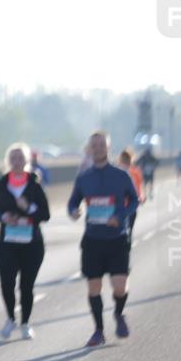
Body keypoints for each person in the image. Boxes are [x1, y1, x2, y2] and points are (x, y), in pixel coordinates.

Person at [67, 131, 139, 347]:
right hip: (93, 239)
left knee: (119, 287)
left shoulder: (121, 175)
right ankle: (98, 330)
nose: (98, 148)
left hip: (117, 238)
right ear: (90, 149)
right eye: (94, 145)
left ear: (109, 148)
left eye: (101, 145)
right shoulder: (84, 177)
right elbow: (73, 202)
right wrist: (74, 211)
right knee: (94, 288)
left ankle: (118, 313)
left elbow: (135, 201)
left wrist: (120, 216)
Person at [0, 143, 50, 340]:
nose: (16, 162)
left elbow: (45, 214)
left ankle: (25, 323)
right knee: (6, 283)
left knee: (26, 285)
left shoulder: (34, 184)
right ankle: (10, 318)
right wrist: (4, 217)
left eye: (20, 158)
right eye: (13, 158)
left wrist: (29, 208)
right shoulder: (2, 183)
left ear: (27, 161)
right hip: (8, 242)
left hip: (31, 243)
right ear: (8, 161)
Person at [117, 148, 146, 243]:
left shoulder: (136, 172)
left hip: (131, 207)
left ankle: (126, 249)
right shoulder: (115, 172)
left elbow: (140, 187)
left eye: (128, 159)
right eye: (125, 159)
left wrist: (141, 196)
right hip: (118, 208)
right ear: (120, 160)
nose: (127, 162)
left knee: (128, 233)